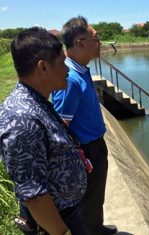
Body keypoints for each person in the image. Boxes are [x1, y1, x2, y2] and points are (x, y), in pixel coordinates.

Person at [0, 27, 89, 235]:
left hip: (66, 211)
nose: (68, 69)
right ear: (44, 67)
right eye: (62, 62)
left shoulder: (36, 101)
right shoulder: (21, 119)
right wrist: (62, 232)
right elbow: (34, 195)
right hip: (55, 222)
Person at [52, 16, 117, 235]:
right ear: (80, 43)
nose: (100, 43)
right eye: (96, 38)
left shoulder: (81, 70)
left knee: (96, 195)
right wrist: (79, 156)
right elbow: (61, 125)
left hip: (95, 145)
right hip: (86, 151)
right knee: (88, 198)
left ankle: (96, 227)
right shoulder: (70, 78)